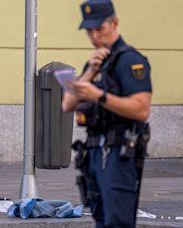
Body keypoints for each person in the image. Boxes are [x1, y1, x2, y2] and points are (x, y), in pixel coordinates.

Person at [62, 0, 152, 227]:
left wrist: (99, 96)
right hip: (93, 151)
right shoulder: (94, 64)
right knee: (101, 218)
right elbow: (67, 103)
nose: (94, 36)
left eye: (99, 28)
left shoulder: (130, 60)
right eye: (89, 31)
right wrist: (90, 71)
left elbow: (141, 109)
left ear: (115, 23)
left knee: (117, 221)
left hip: (119, 152)